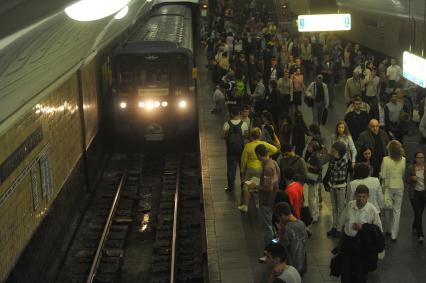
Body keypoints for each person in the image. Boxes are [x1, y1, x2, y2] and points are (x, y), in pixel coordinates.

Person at [339, 185, 383, 283]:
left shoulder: (372, 210)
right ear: (355, 196)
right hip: (348, 243)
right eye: (359, 196)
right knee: (346, 272)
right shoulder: (350, 205)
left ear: (368, 197)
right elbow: (342, 222)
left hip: (362, 246)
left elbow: (378, 231)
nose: (361, 199)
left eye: (363, 197)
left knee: (360, 274)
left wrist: (363, 228)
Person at [239, 128, 279, 212]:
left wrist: (242, 172)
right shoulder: (263, 144)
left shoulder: (248, 146)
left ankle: (245, 205)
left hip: (251, 169)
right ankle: (258, 203)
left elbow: (243, 160)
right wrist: (267, 155)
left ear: (251, 136)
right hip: (261, 168)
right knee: (259, 185)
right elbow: (275, 149)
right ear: (259, 135)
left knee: (247, 186)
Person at [253, 144, 281, 245]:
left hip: (266, 201)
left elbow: (268, 188)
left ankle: (269, 251)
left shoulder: (267, 169)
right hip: (273, 198)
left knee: (266, 228)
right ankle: (273, 245)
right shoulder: (274, 162)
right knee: (270, 225)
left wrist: (256, 186)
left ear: (259, 155)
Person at [380, 140, 406, 241]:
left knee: (386, 208)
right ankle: (394, 235)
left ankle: (387, 229)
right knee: (397, 210)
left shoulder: (385, 159)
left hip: (388, 186)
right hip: (399, 186)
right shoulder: (403, 159)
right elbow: (403, 174)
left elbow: (383, 175)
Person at [274, 202, 308, 276]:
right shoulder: (302, 223)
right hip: (302, 261)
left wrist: (280, 231)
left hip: (292, 263)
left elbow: (282, 246)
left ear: (282, 215)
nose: (279, 220)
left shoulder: (287, 228)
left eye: (279, 218)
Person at [325, 141, 349, 238]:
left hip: (340, 186)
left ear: (340, 151)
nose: (333, 152)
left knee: (340, 208)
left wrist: (331, 157)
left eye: (334, 150)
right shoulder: (334, 159)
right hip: (332, 185)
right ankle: (334, 227)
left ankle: (339, 228)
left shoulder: (343, 160)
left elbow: (334, 168)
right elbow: (330, 169)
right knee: (334, 208)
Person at [223, 107, 249, 192]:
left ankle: (231, 187)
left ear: (231, 114)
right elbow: (246, 136)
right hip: (241, 149)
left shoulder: (227, 124)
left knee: (231, 168)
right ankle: (243, 184)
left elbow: (223, 136)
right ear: (239, 113)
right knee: (242, 167)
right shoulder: (244, 124)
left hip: (230, 150)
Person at [405, 151, 426, 243]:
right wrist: (411, 179)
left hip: (424, 193)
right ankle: (420, 235)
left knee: (420, 213)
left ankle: (414, 226)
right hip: (414, 194)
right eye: (418, 157)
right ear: (415, 158)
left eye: (422, 157)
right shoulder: (411, 168)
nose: (420, 159)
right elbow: (406, 179)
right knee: (417, 213)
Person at [305, 140, 322, 222]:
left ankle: (313, 215)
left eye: (309, 146)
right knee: (315, 197)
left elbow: (319, 168)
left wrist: (310, 166)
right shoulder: (313, 155)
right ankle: (316, 214)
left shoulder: (316, 156)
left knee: (312, 198)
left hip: (314, 179)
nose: (308, 147)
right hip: (314, 179)